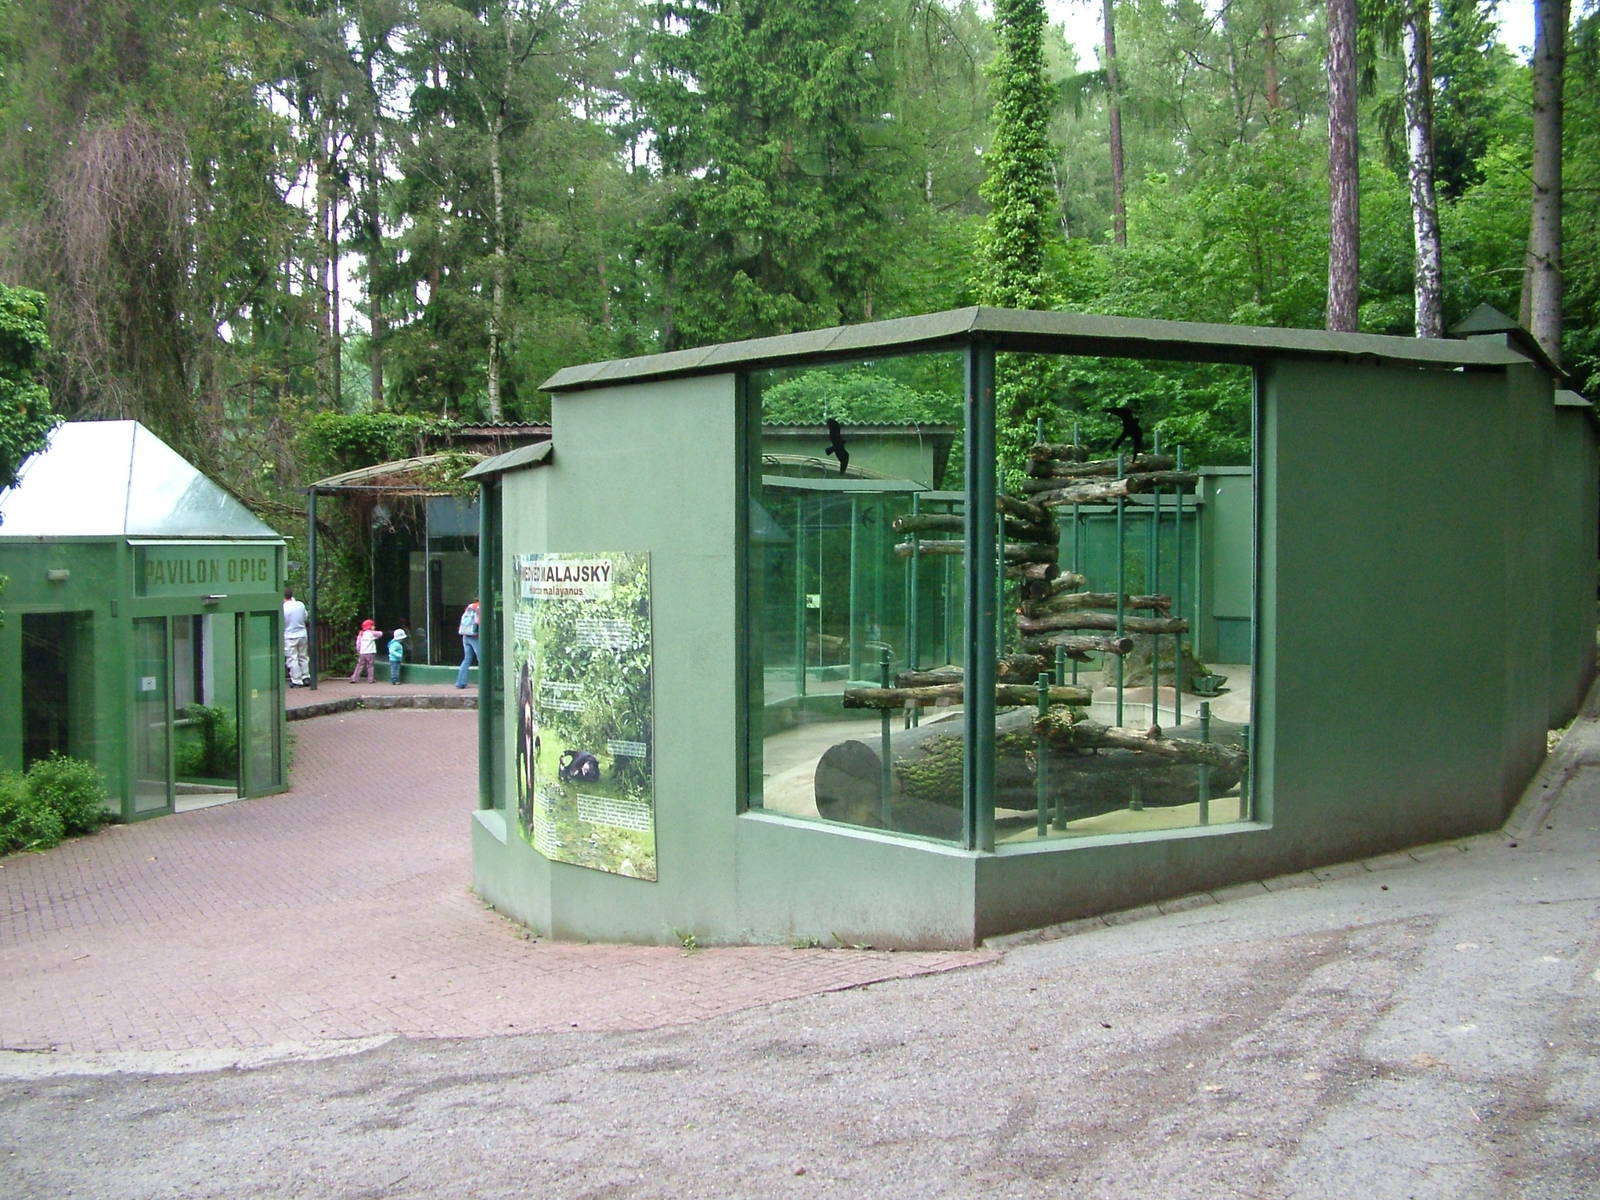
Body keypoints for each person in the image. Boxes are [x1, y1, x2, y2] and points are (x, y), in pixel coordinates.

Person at [283, 587, 310, 688]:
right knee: (303, 656)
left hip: (289, 635)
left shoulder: (283, 608)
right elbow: (305, 616)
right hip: (302, 633)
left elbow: (282, 622)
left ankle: (296, 680)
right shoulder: (300, 604)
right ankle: (306, 676)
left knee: (292, 658)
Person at [454, 597, 482, 689]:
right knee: (482, 660)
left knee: (467, 659)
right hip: (475, 636)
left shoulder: (470, 606)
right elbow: (479, 621)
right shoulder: (480, 607)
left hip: (465, 635)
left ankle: (460, 682)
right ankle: (484, 683)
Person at [349, 619, 383, 684]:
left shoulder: (361, 634)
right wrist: (373, 632)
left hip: (362, 652)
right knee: (370, 666)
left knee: (360, 665)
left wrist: (358, 650)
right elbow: (380, 634)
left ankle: (354, 678)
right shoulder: (372, 633)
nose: (374, 626)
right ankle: (370, 679)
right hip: (370, 652)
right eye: (373, 625)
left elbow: (358, 643)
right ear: (370, 626)